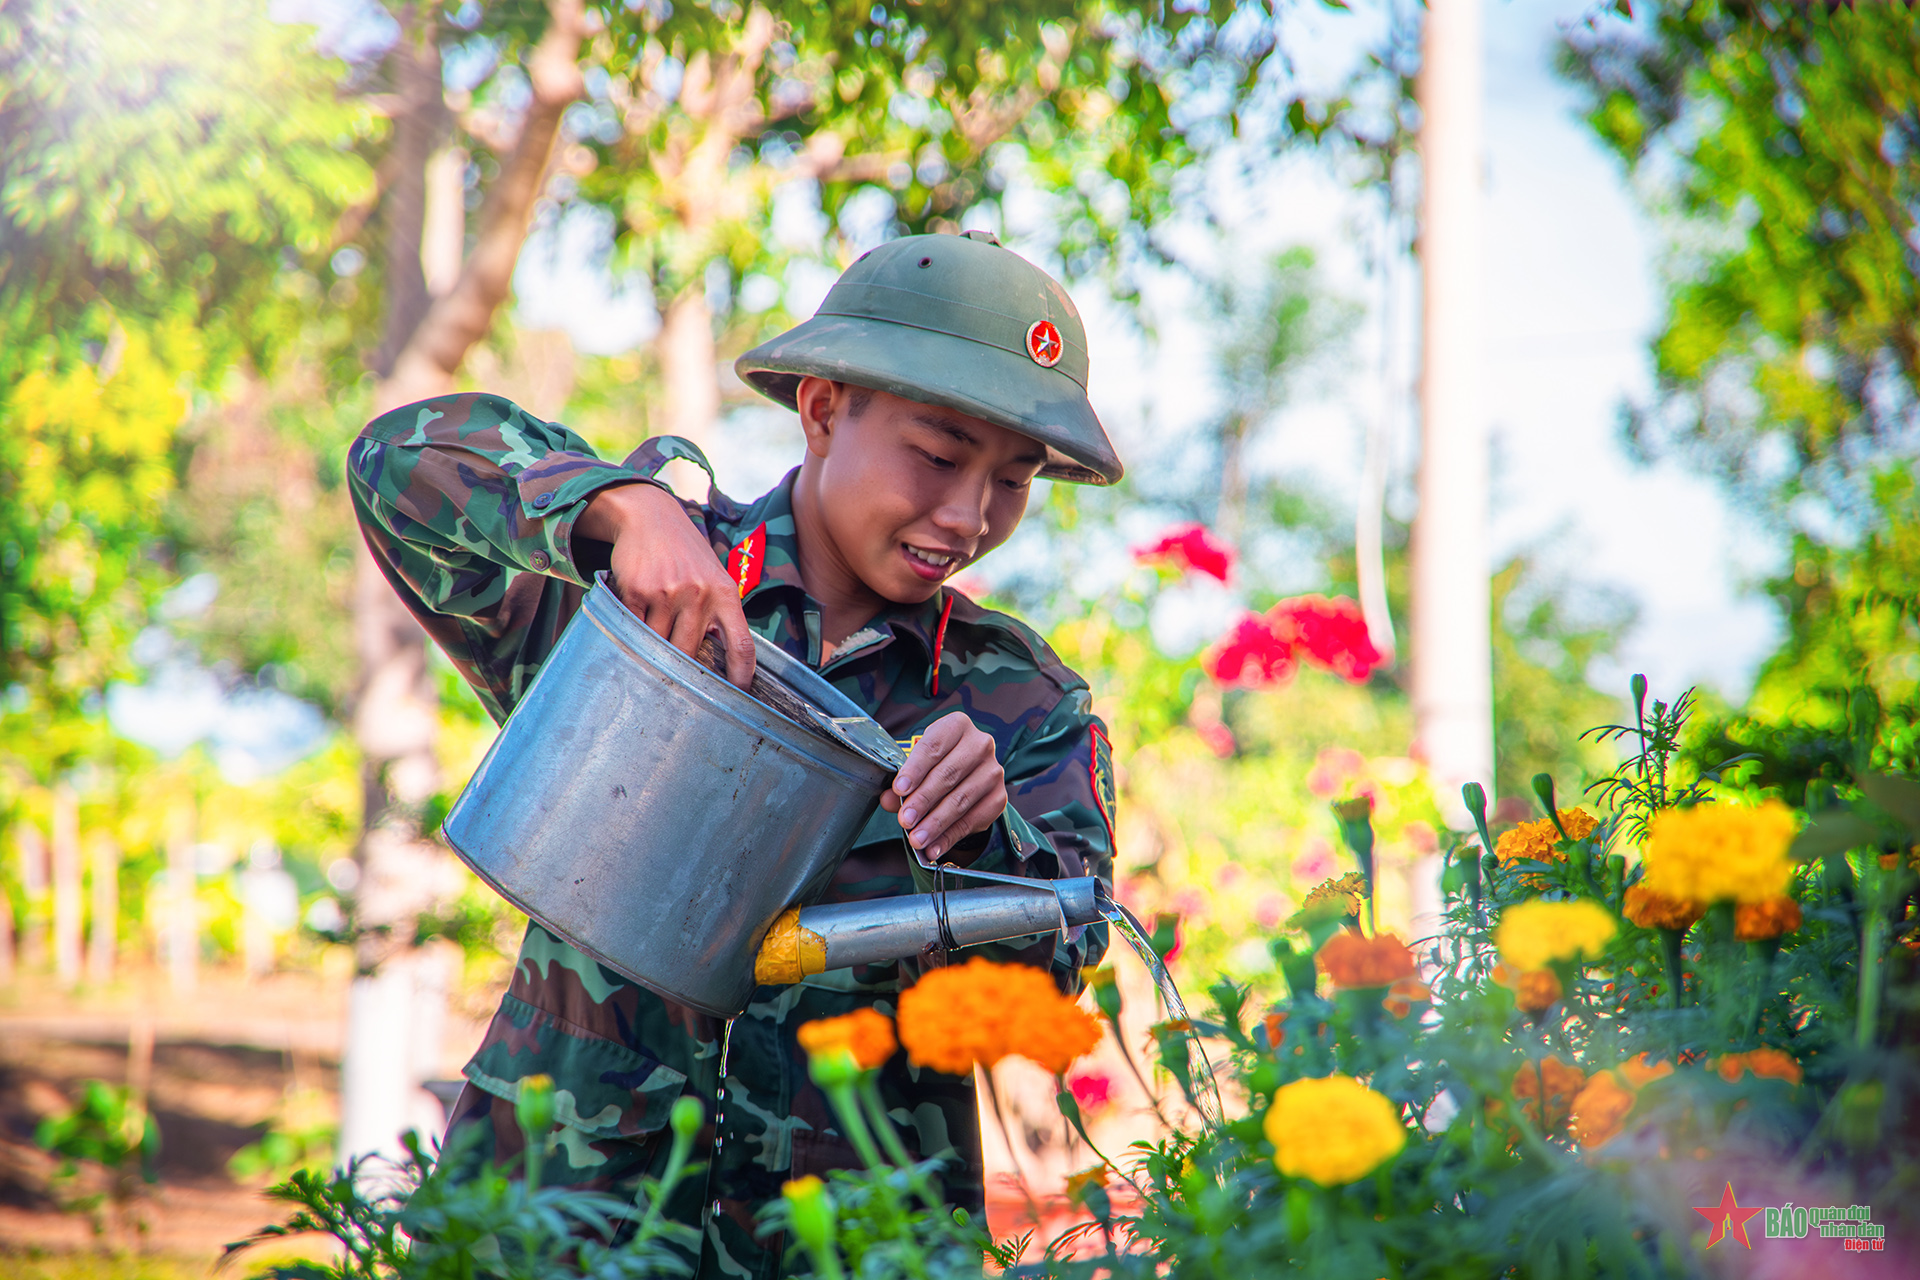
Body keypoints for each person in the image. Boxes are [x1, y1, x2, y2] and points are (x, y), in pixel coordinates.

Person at [348, 230, 1122, 1278]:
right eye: (939, 456)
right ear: (821, 408)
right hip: (552, 1223)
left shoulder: (1023, 701)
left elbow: (1061, 968)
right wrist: (624, 506)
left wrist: (994, 832)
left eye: (1014, 480)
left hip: (856, 1247)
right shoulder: (635, 596)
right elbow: (399, 459)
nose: (968, 515)